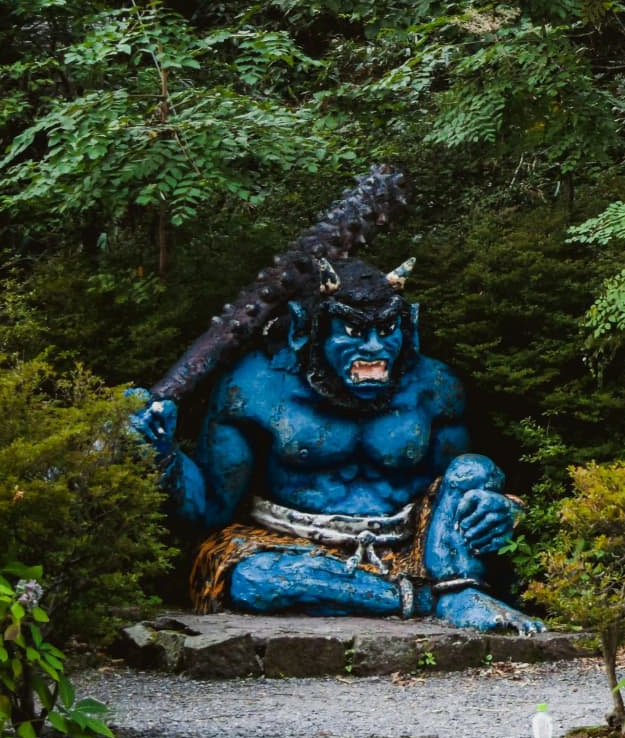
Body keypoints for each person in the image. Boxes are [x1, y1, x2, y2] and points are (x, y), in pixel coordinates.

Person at [130, 257, 542, 631]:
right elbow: (210, 509)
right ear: (306, 331)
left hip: (410, 547)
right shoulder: (255, 388)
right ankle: (424, 600)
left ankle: (457, 589)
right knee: (253, 579)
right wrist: (163, 454)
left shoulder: (433, 387)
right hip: (293, 549)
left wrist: (498, 507)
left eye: (387, 331)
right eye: (353, 331)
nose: (375, 348)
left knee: (477, 467)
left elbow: (454, 490)